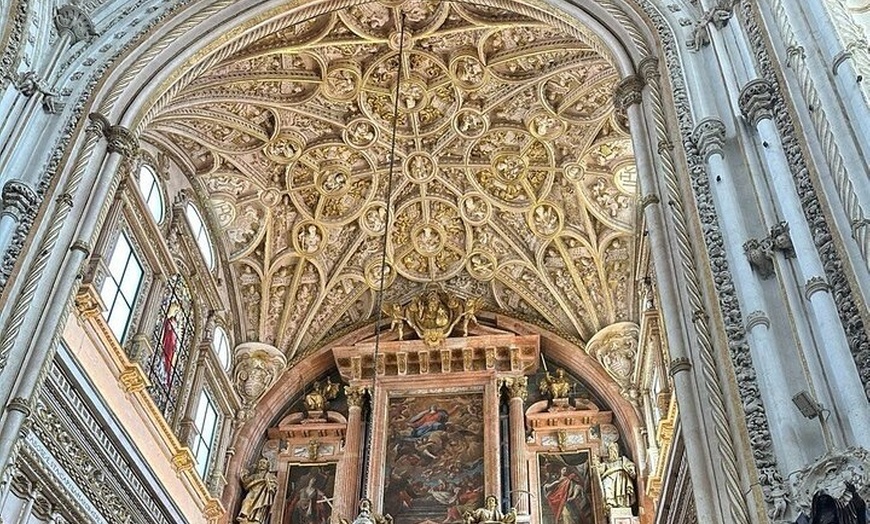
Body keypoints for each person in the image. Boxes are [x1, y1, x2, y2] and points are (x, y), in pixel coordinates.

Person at [594, 443, 636, 512]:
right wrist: (596, 464)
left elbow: (630, 465)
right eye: (610, 450)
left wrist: (631, 470)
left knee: (620, 491)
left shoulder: (622, 460)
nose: (612, 452)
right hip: (609, 477)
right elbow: (600, 470)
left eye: (614, 450)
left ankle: (622, 504)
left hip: (620, 476)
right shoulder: (607, 463)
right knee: (606, 485)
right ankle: (610, 504)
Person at [237, 458, 278, 524]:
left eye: (264, 463)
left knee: (260, 506)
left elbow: (274, 485)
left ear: (267, 466)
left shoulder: (270, 476)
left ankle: (256, 518)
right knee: (246, 501)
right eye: (260, 463)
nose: (261, 464)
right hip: (253, 491)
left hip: (263, 493)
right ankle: (245, 516)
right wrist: (244, 476)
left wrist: (270, 484)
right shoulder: (254, 476)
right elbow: (246, 483)